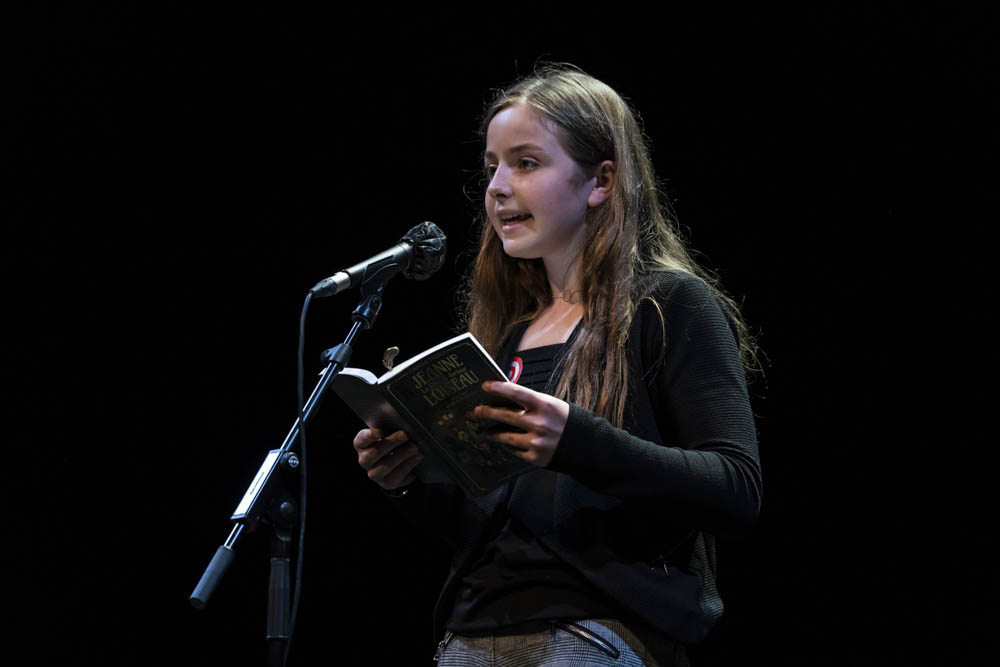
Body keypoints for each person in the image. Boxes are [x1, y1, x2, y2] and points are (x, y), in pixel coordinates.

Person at [352, 64, 762, 666]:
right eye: (491, 166)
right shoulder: (506, 334)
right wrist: (409, 477)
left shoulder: (667, 304)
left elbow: (737, 488)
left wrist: (576, 439)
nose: (496, 186)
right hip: (469, 636)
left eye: (526, 162)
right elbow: (500, 521)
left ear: (600, 181)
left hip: (591, 635)